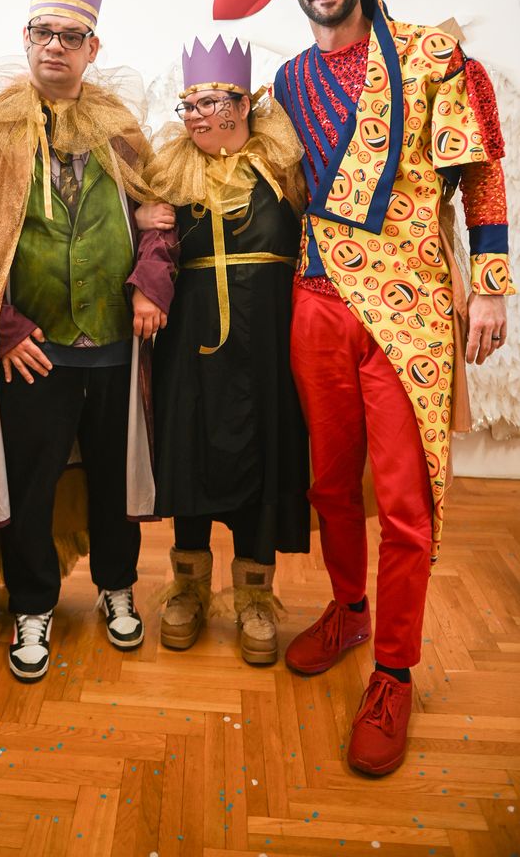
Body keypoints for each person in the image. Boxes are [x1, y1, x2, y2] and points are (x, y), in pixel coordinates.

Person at [261, 0, 514, 775]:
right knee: (330, 484)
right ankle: (349, 608)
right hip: (316, 304)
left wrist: (490, 288)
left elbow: (480, 173)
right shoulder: (286, 82)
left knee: (405, 506)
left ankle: (396, 673)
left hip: (409, 313)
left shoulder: (435, 55)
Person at [0, 0, 176, 682]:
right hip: (33, 349)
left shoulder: (120, 128)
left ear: (92, 47)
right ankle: (32, 603)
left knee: (114, 478)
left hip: (113, 343)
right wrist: (3, 325)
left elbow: (158, 217)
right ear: (25, 39)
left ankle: (117, 585)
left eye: (70, 36)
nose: (55, 45)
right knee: (32, 482)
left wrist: (150, 284)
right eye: (43, 32)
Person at [143, 36, 310, 663]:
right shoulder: (171, 172)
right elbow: (151, 248)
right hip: (190, 341)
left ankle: (255, 597)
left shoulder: (284, 168)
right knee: (190, 450)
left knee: (263, 453)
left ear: (243, 104)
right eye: (188, 104)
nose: (194, 115)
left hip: (267, 341)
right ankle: (188, 588)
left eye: (208, 102)